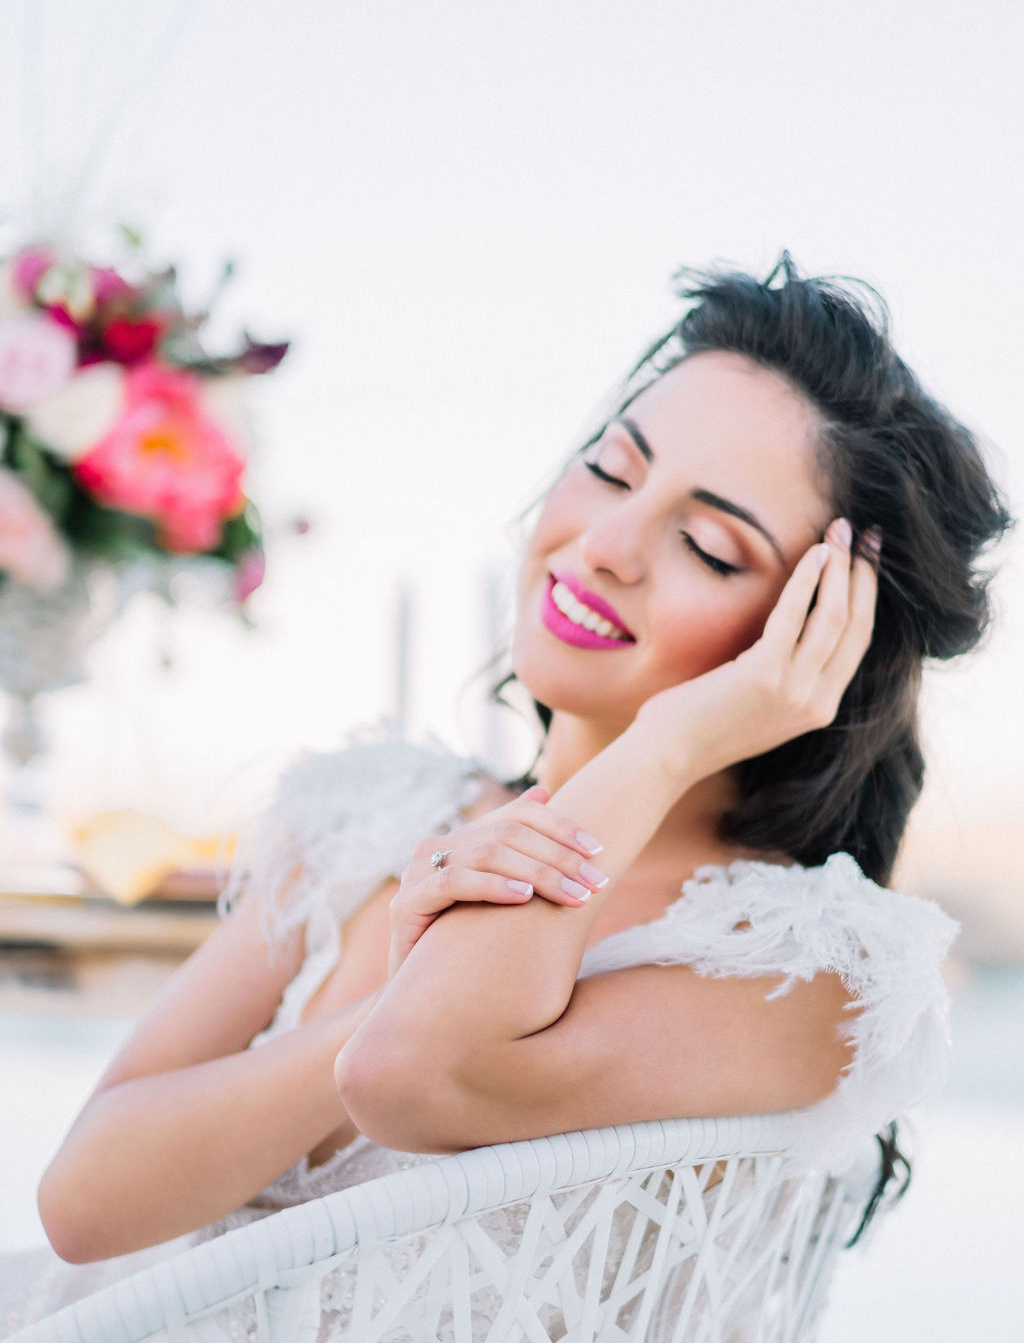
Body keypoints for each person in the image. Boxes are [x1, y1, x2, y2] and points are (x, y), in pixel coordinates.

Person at [1, 255, 1010, 1335]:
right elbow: (86, 1204)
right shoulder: (371, 811)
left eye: (709, 547)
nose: (605, 546)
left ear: (818, 639)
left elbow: (407, 1072)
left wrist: (663, 749)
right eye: (612, 469)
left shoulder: (807, 964)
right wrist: (421, 964)